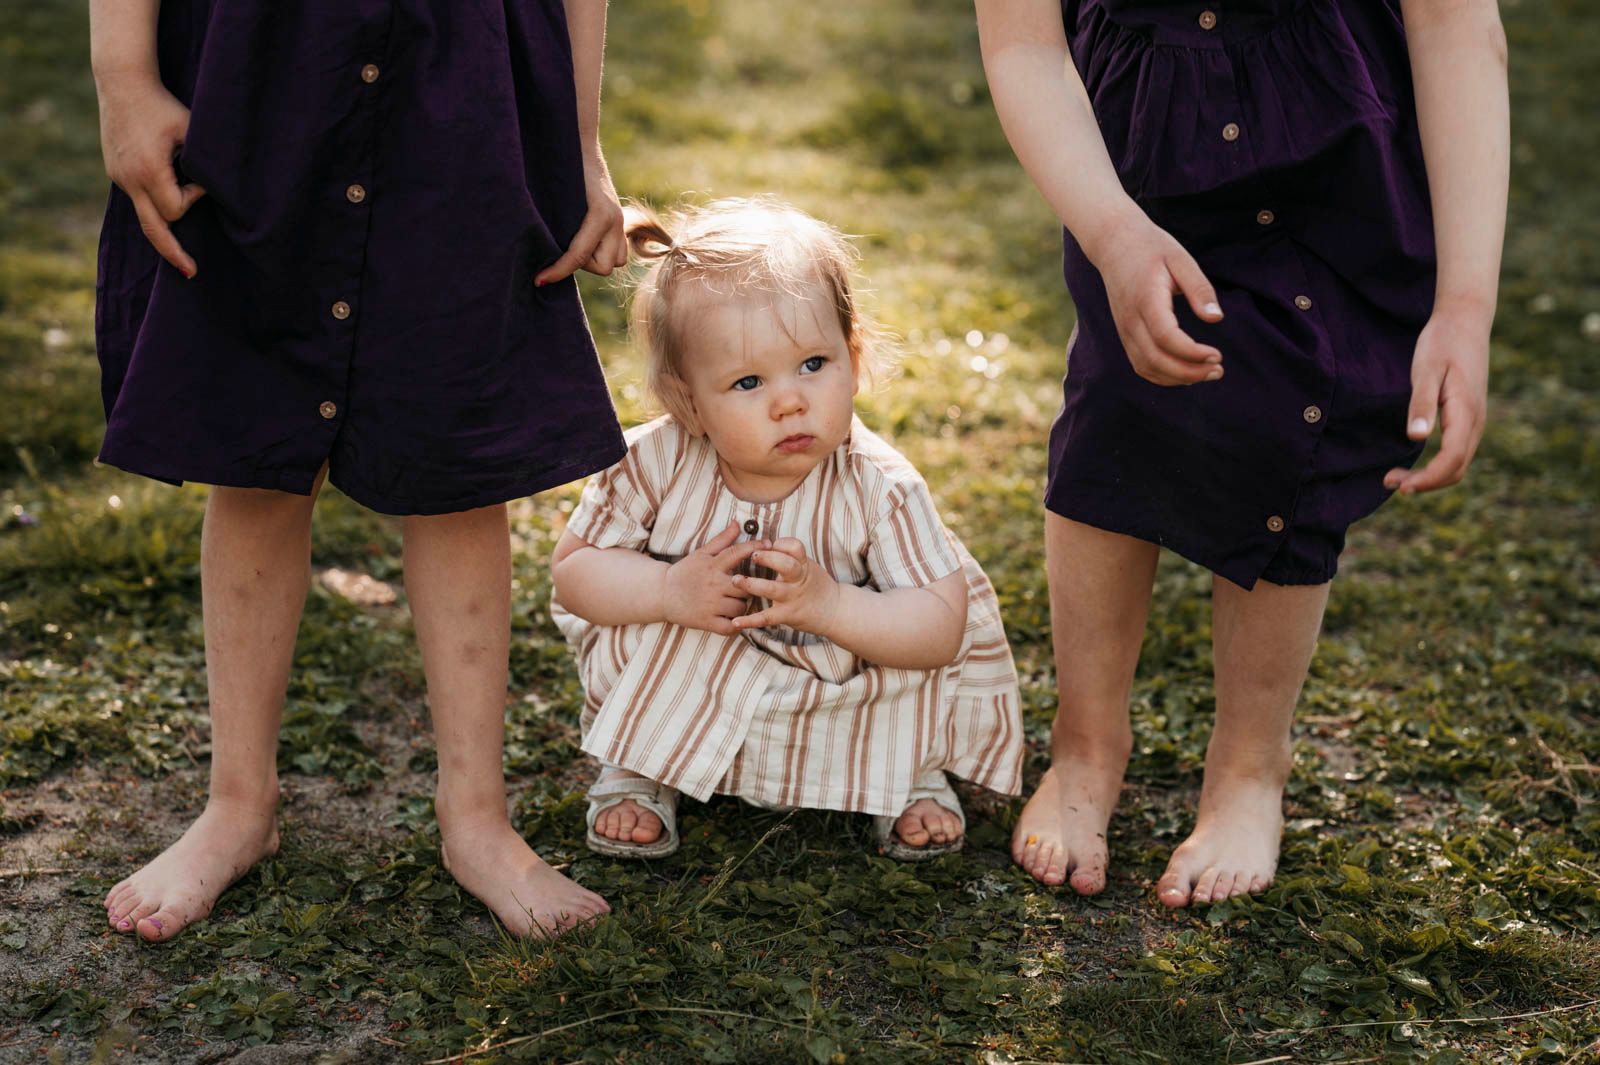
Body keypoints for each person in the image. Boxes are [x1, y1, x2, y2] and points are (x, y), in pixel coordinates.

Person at [93, 0, 630, 941]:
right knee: (253, 448)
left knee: (460, 454)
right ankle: (236, 804)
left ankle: (476, 820)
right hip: (256, 81)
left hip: (466, 91)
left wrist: (578, 140)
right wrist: (124, 84)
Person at [975, 0, 1507, 904]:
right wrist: (1112, 231)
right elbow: (1023, 45)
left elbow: (1457, 27)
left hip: (1334, 122)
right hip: (1145, 131)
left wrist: (1465, 304)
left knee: (1308, 407)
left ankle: (1249, 769)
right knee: (1120, 394)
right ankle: (1086, 745)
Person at [549, 199, 1024, 859]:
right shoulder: (651, 464)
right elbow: (574, 571)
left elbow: (941, 627)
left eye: (813, 364)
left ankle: (906, 771)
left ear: (852, 358)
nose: (790, 400)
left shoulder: (880, 486)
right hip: (697, 663)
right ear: (689, 401)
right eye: (748, 380)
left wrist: (833, 603)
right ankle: (642, 762)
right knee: (640, 618)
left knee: (907, 664)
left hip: (840, 675)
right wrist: (668, 588)